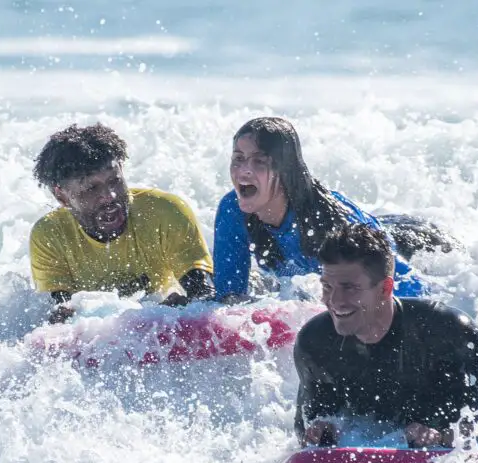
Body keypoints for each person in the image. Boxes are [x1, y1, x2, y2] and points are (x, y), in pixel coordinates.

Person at [293, 223, 478, 449]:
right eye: (327, 287)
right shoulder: (315, 344)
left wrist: (441, 437)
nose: (334, 301)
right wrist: (320, 430)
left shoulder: (448, 334)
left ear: (385, 288)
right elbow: (304, 428)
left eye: (350, 288)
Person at [213, 116, 434, 304]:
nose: (244, 171)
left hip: (415, 242)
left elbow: (414, 290)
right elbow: (229, 298)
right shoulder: (233, 211)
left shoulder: (333, 224)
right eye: (238, 159)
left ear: (286, 169)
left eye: (259, 161)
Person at [29, 123, 215, 323]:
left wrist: (174, 312)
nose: (109, 196)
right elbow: (61, 318)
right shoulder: (50, 235)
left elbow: (204, 297)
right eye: (91, 189)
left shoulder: (164, 212)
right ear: (62, 196)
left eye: (115, 181)